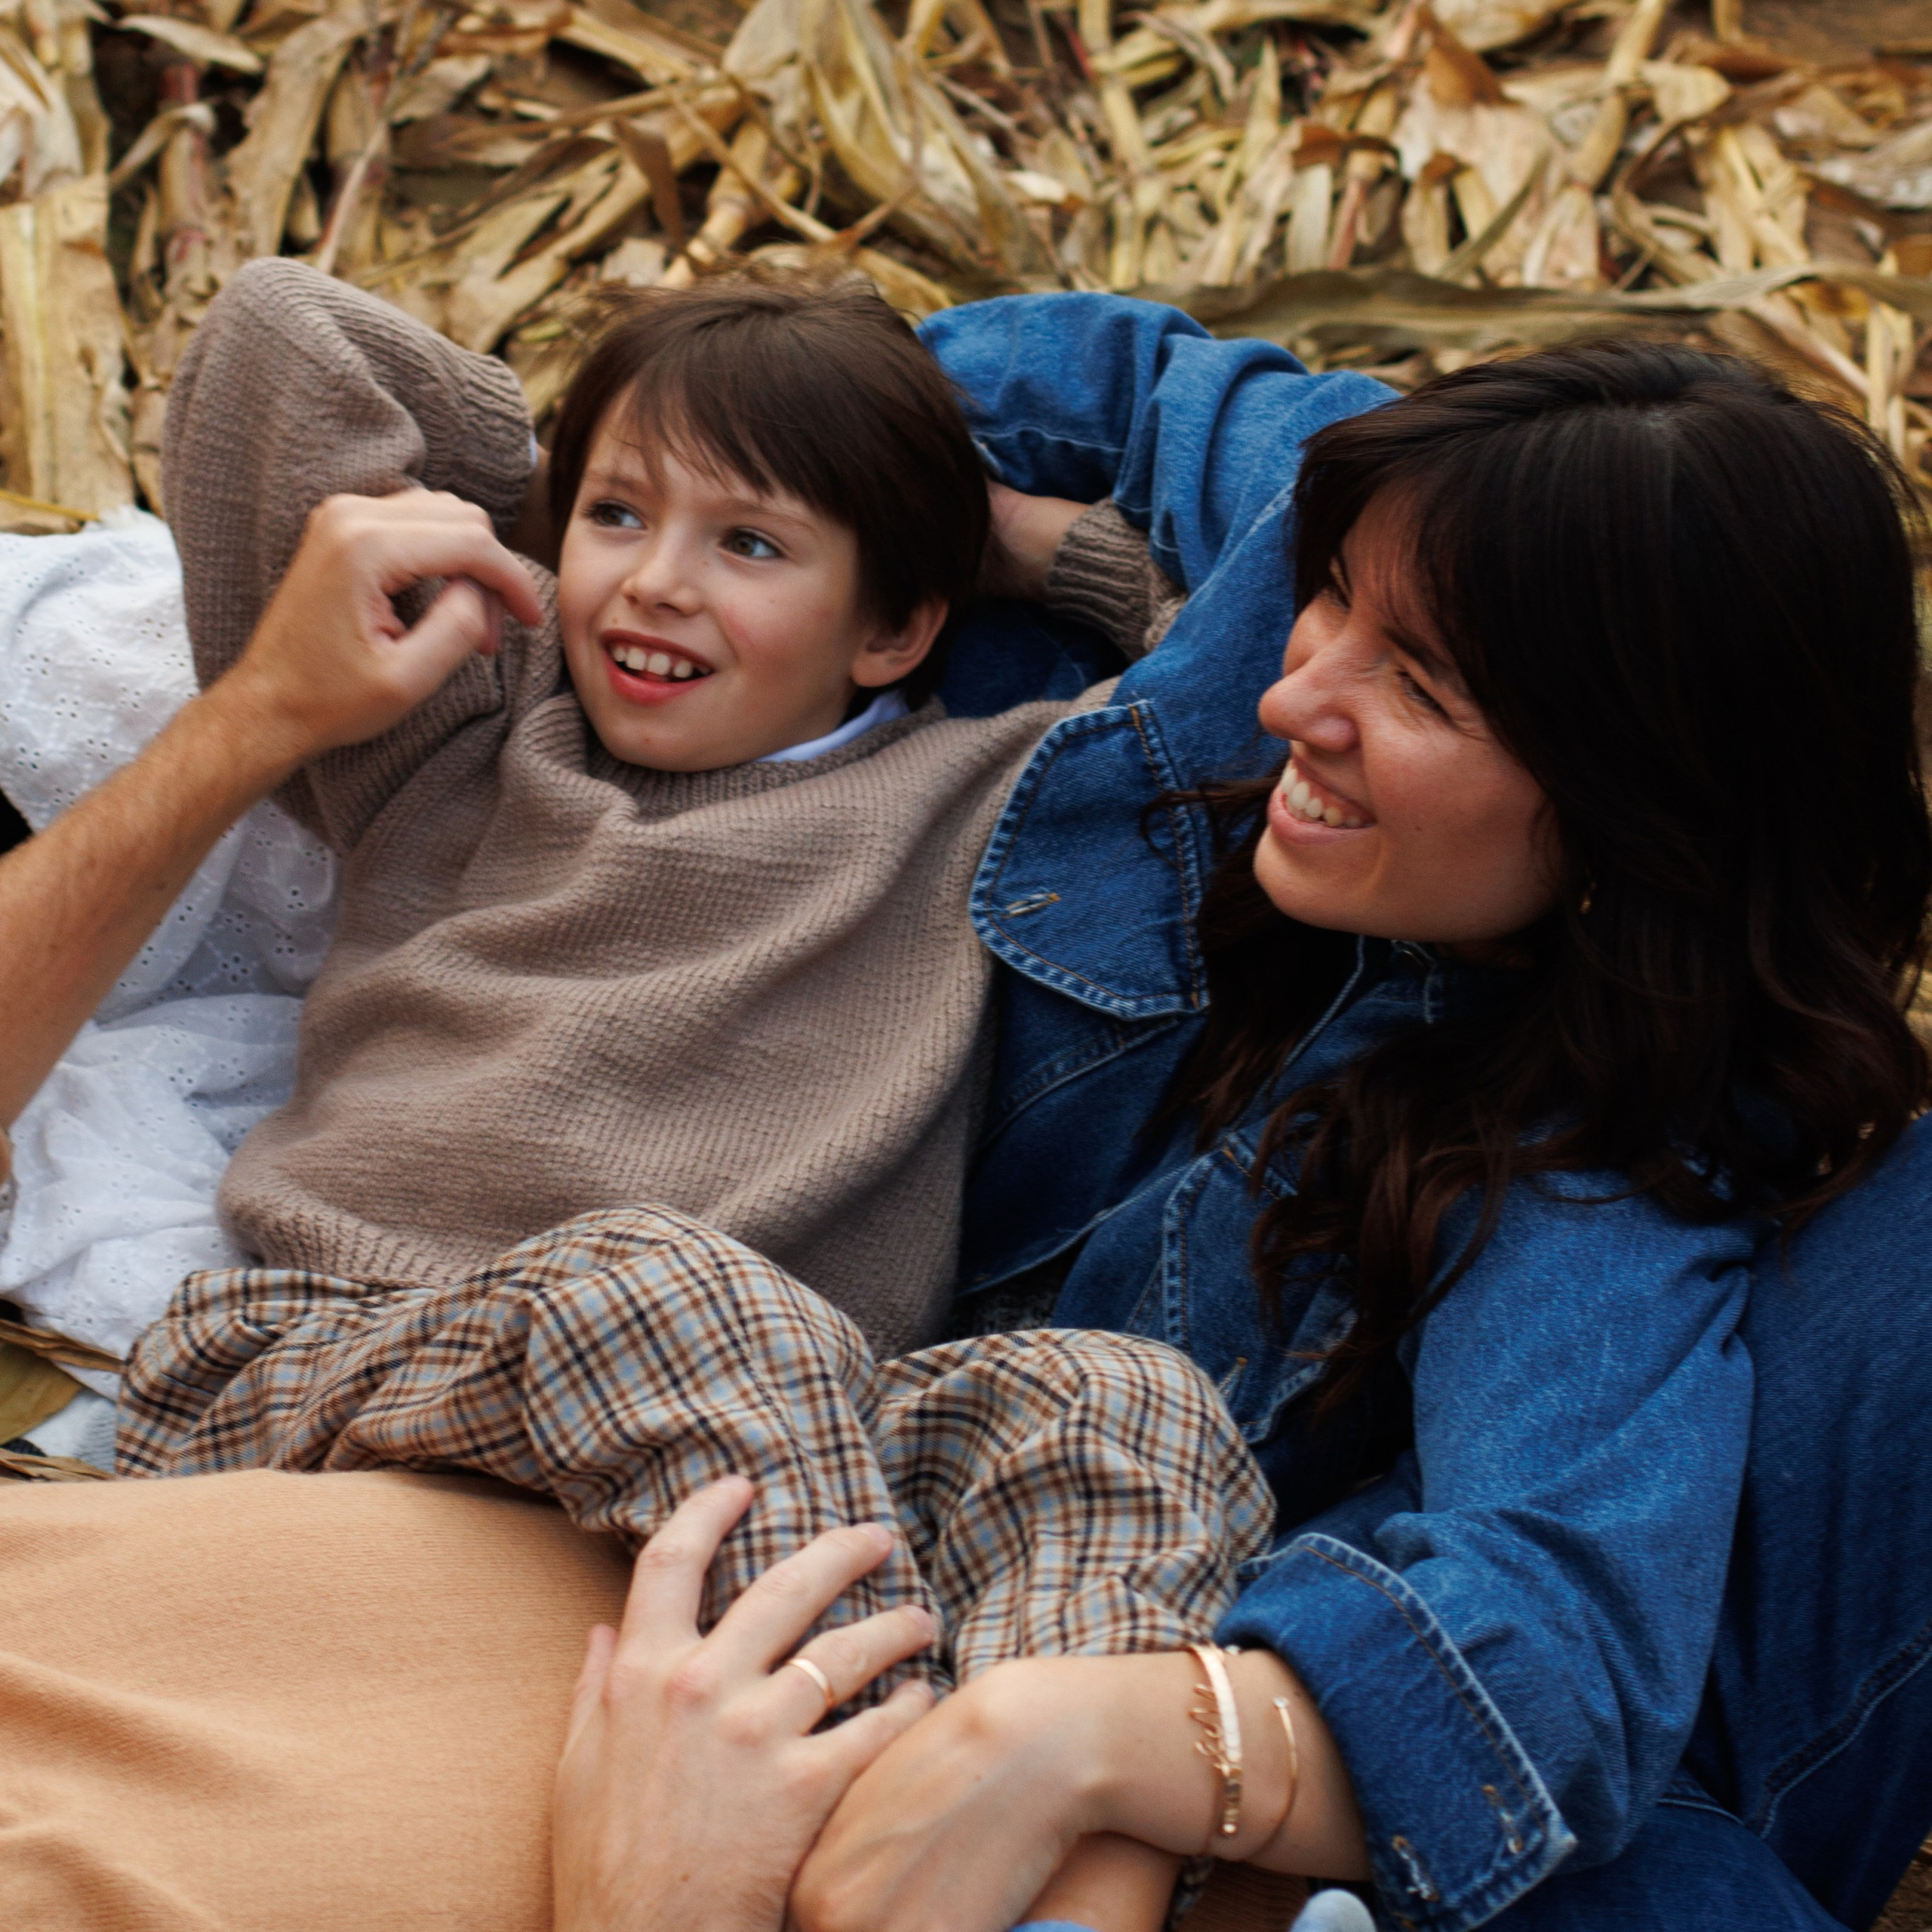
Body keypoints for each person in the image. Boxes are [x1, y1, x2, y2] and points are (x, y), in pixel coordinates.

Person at [2, 294, 1929, 1932]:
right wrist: (751, 481)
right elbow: (1134, 381)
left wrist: (1064, 1744)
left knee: (1125, 1399)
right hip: (391, 1366)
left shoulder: (1587, 1165)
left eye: (1407, 683)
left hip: (836, 1459)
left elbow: (1557, 1635)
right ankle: (850, 1800)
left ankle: (965, 1856)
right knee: (687, 1296)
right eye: (1320, 609)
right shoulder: (579, 728)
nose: (1287, 696)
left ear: (1631, 808)